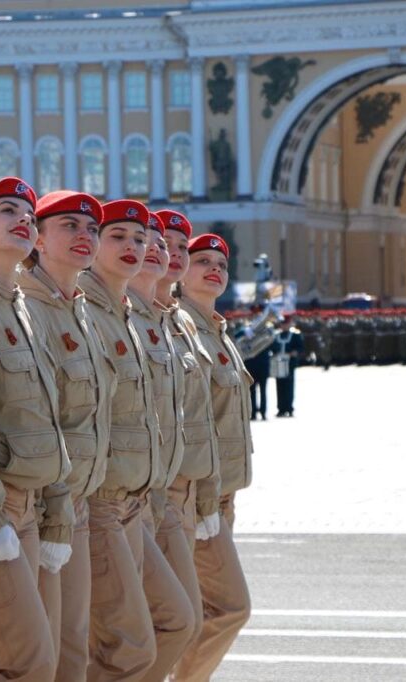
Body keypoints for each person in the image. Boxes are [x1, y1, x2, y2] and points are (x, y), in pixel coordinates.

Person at [0, 177, 67, 681]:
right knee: (30, 660)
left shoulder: (21, 306)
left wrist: (57, 505)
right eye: (8, 210)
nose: (24, 218)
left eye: (28, 212)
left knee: (28, 658)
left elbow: (48, 417)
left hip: (33, 503)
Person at [19, 190, 114, 680]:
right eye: (70, 227)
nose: (85, 236)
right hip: (36, 505)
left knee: (71, 650)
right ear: (37, 238)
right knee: (38, 655)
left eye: (91, 229)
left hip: (79, 499)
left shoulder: (81, 310)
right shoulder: (25, 308)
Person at [79, 201, 162, 681]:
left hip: (139, 496)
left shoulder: (125, 310)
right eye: (118, 237)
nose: (134, 247)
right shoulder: (85, 309)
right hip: (98, 499)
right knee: (126, 646)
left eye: (139, 238)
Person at [122, 206, 196, 681]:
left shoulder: (168, 319)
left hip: (165, 491)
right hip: (112, 499)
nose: (158, 251)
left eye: (166, 245)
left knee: (175, 622)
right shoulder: (108, 314)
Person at [175, 233, 254, 682]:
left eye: (221, 264)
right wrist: (205, 499)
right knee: (229, 607)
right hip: (198, 495)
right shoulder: (182, 327)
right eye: (201, 261)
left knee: (203, 608)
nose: (214, 270)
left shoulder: (217, 330)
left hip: (223, 494)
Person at [152, 209, 218, 662]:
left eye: (180, 247)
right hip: (139, 495)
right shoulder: (122, 317)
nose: (171, 254)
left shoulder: (180, 321)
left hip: (189, 488)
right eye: (162, 244)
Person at [242, 309, 271, 420]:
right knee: (252, 391)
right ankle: (253, 412)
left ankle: (263, 412)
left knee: (263, 390)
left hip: (263, 364)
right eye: (255, 316)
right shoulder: (246, 329)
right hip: (251, 364)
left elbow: (274, 345)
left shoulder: (267, 330)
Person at [274, 316, 303, 417]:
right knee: (279, 386)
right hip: (278, 363)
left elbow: (300, 347)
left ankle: (289, 408)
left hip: (290, 363)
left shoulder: (295, 334)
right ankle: (281, 408)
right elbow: (273, 347)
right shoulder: (276, 334)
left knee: (289, 386)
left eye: (286, 324)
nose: (284, 326)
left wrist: (295, 353)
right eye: (282, 324)